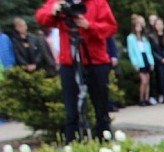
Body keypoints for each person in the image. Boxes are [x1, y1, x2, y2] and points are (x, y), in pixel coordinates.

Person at [36, 0, 118, 143]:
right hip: (69, 61)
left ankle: (105, 142)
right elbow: (41, 17)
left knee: (101, 107)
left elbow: (110, 27)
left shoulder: (98, 3)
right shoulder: (61, 2)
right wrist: (53, 11)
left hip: (95, 61)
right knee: (71, 110)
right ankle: (72, 145)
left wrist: (89, 26)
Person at [126, 17, 154, 106]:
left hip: (146, 58)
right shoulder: (130, 38)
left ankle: (147, 98)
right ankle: (141, 99)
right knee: (143, 80)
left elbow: (149, 50)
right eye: (137, 26)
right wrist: (135, 63)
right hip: (139, 59)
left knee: (148, 80)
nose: (139, 28)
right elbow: (131, 52)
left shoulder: (144, 38)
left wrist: (151, 62)